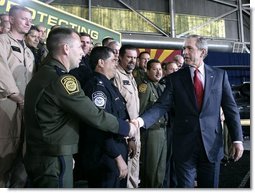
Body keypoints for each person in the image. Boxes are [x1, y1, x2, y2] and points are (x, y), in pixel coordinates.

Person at [23, 27, 138, 188]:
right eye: (79, 47)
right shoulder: (60, 80)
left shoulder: (45, 73)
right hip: (54, 158)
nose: (83, 53)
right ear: (66, 48)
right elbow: (94, 115)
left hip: (46, 153)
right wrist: (127, 128)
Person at [133, 34, 244, 188]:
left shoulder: (219, 76)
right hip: (184, 147)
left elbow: (230, 109)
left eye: (189, 48)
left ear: (202, 52)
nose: (184, 52)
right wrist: (140, 121)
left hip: (211, 147)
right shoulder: (175, 78)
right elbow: (161, 106)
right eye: (183, 48)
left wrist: (237, 139)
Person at [80, 46, 136, 188]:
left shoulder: (108, 85)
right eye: (113, 60)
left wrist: (130, 139)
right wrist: (116, 157)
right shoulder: (96, 87)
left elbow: (120, 115)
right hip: (105, 156)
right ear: (101, 62)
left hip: (117, 146)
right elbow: (99, 126)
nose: (115, 64)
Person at [0, 5, 34, 188]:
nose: (29, 23)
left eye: (30, 20)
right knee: (3, 157)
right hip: (6, 105)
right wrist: (17, 96)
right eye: (24, 18)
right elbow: (1, 72)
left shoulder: (28, 51)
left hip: (24, 109)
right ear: (11, 20)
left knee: (21, 160)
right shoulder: (2, 42)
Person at [113, 44, 140, 188]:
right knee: (125, 174)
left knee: (134, 171)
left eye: (135, 58)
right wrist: (130, 137)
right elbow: (118, 108)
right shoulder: (116, 75)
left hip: (135, 131)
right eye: (129, 57)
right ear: (121, 57)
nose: (133, 61)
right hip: (125, 134)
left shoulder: (131, 76)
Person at [138, 59, 167, 188]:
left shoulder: (161, 87)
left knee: (160, 169)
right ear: (148, 71)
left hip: (163, 131)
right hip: (151, 132)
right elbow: (141, 110)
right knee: (151, 169)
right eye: (155, 69)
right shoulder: (145, 87)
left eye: (160, 69)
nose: (158, 72)